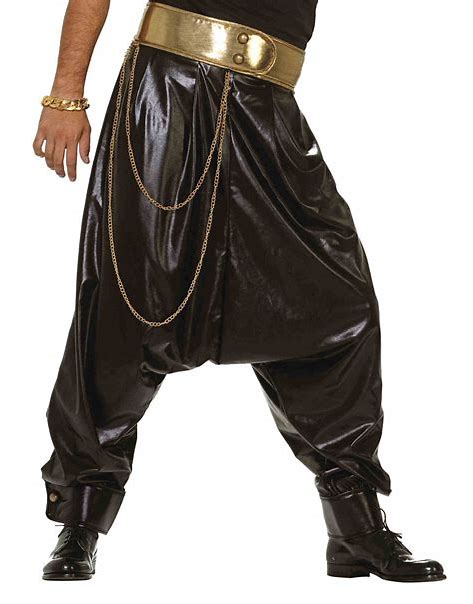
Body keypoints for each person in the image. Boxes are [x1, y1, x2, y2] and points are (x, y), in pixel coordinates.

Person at [33, 0, 446, 583]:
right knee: (129, 311)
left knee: (336, 308)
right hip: (170, 94)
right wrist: (65, 95)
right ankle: (79, 520)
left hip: (270, 106)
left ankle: (355, 528)